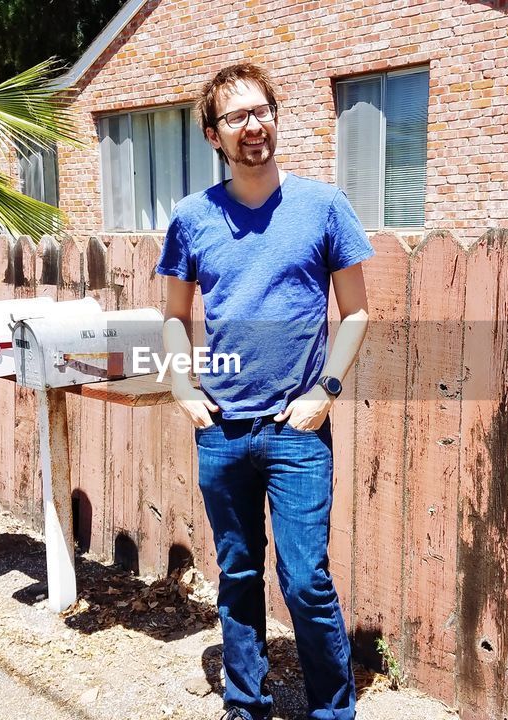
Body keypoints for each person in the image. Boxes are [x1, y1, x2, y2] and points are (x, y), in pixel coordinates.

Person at [156, 63, 373, 720]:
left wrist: (327, 390)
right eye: (237, 117)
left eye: (263, 111)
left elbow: (357, 312)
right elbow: (171, 314)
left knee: (306, 580)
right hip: (222, 431)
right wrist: (178, 383)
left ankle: (332, 710)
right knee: (239, 577)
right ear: (213, 135)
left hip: (295, 431)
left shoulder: (324, 207)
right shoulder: (193, 219)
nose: (254, 125)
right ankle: (244, 706)